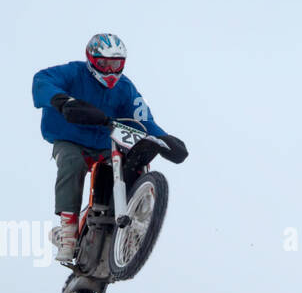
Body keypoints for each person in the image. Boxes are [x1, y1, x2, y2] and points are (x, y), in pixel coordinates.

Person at [31, 34, 187, 265]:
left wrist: (163, 139)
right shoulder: (74, 73)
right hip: (70, 139)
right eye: (103, 64)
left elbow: (142, 118)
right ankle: (68, 231)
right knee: (72, 162)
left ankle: (135, 222)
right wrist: (63, 101)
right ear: (91, 60)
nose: (109, 70)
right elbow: (42, 80)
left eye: (115, 64)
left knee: (132, 163)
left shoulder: (125, 88)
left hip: (106, 145)